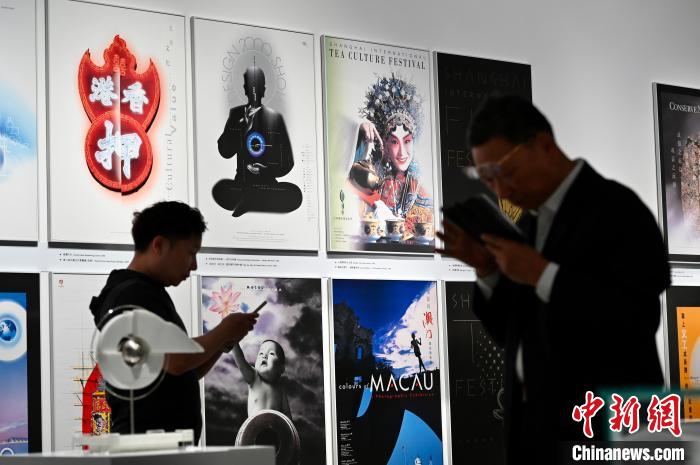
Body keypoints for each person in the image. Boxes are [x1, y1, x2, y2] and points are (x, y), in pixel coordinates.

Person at [436, 95, 669, 462]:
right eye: (486, 179)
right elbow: (514, 334)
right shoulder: (534, 223)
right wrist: (488, 270)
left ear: (543, 145)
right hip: (538, 429)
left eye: (503, 172)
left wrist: (542, 274)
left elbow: (636, 318)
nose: (501, 191)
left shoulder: (619, 209)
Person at [89, 201, 258, 444]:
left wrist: (221, 343)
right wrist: (223, 331)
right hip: (148, 450)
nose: (194, 265)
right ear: (159, 245)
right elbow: (176, 360)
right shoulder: (133, 294)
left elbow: (183, 372)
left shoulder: (142, 292)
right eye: (190, 253)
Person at [348, 74, 433, 242]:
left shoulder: (420, 186)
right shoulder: (371, 175)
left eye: (407, 141)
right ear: (385, 144)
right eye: (394, 142)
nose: (402, 152)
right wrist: (360, 137)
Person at [214, 65, 302, 217]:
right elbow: (225, 152)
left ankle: (250, 201)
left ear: (264, 89)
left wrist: (266, 170)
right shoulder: (236, 114)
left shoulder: (275, 117)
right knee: (221, 190)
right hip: (242, 185)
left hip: (268, 186)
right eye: (250, 86)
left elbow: (288, 162)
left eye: (258, 86)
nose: (254, 90)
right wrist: (242, 129)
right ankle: (257, 201)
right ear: (245, 89)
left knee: (295, 195)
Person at [230, 338, 292, 419]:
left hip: (273, 426)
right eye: (261, 353)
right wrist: (233, 341)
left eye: (271, 353)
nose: (264, 356)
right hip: (254, 426)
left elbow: (287, 415)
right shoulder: (254, 377)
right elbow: (240, 361)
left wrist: (289, 426)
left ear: (281, 368)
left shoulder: (280, 389)